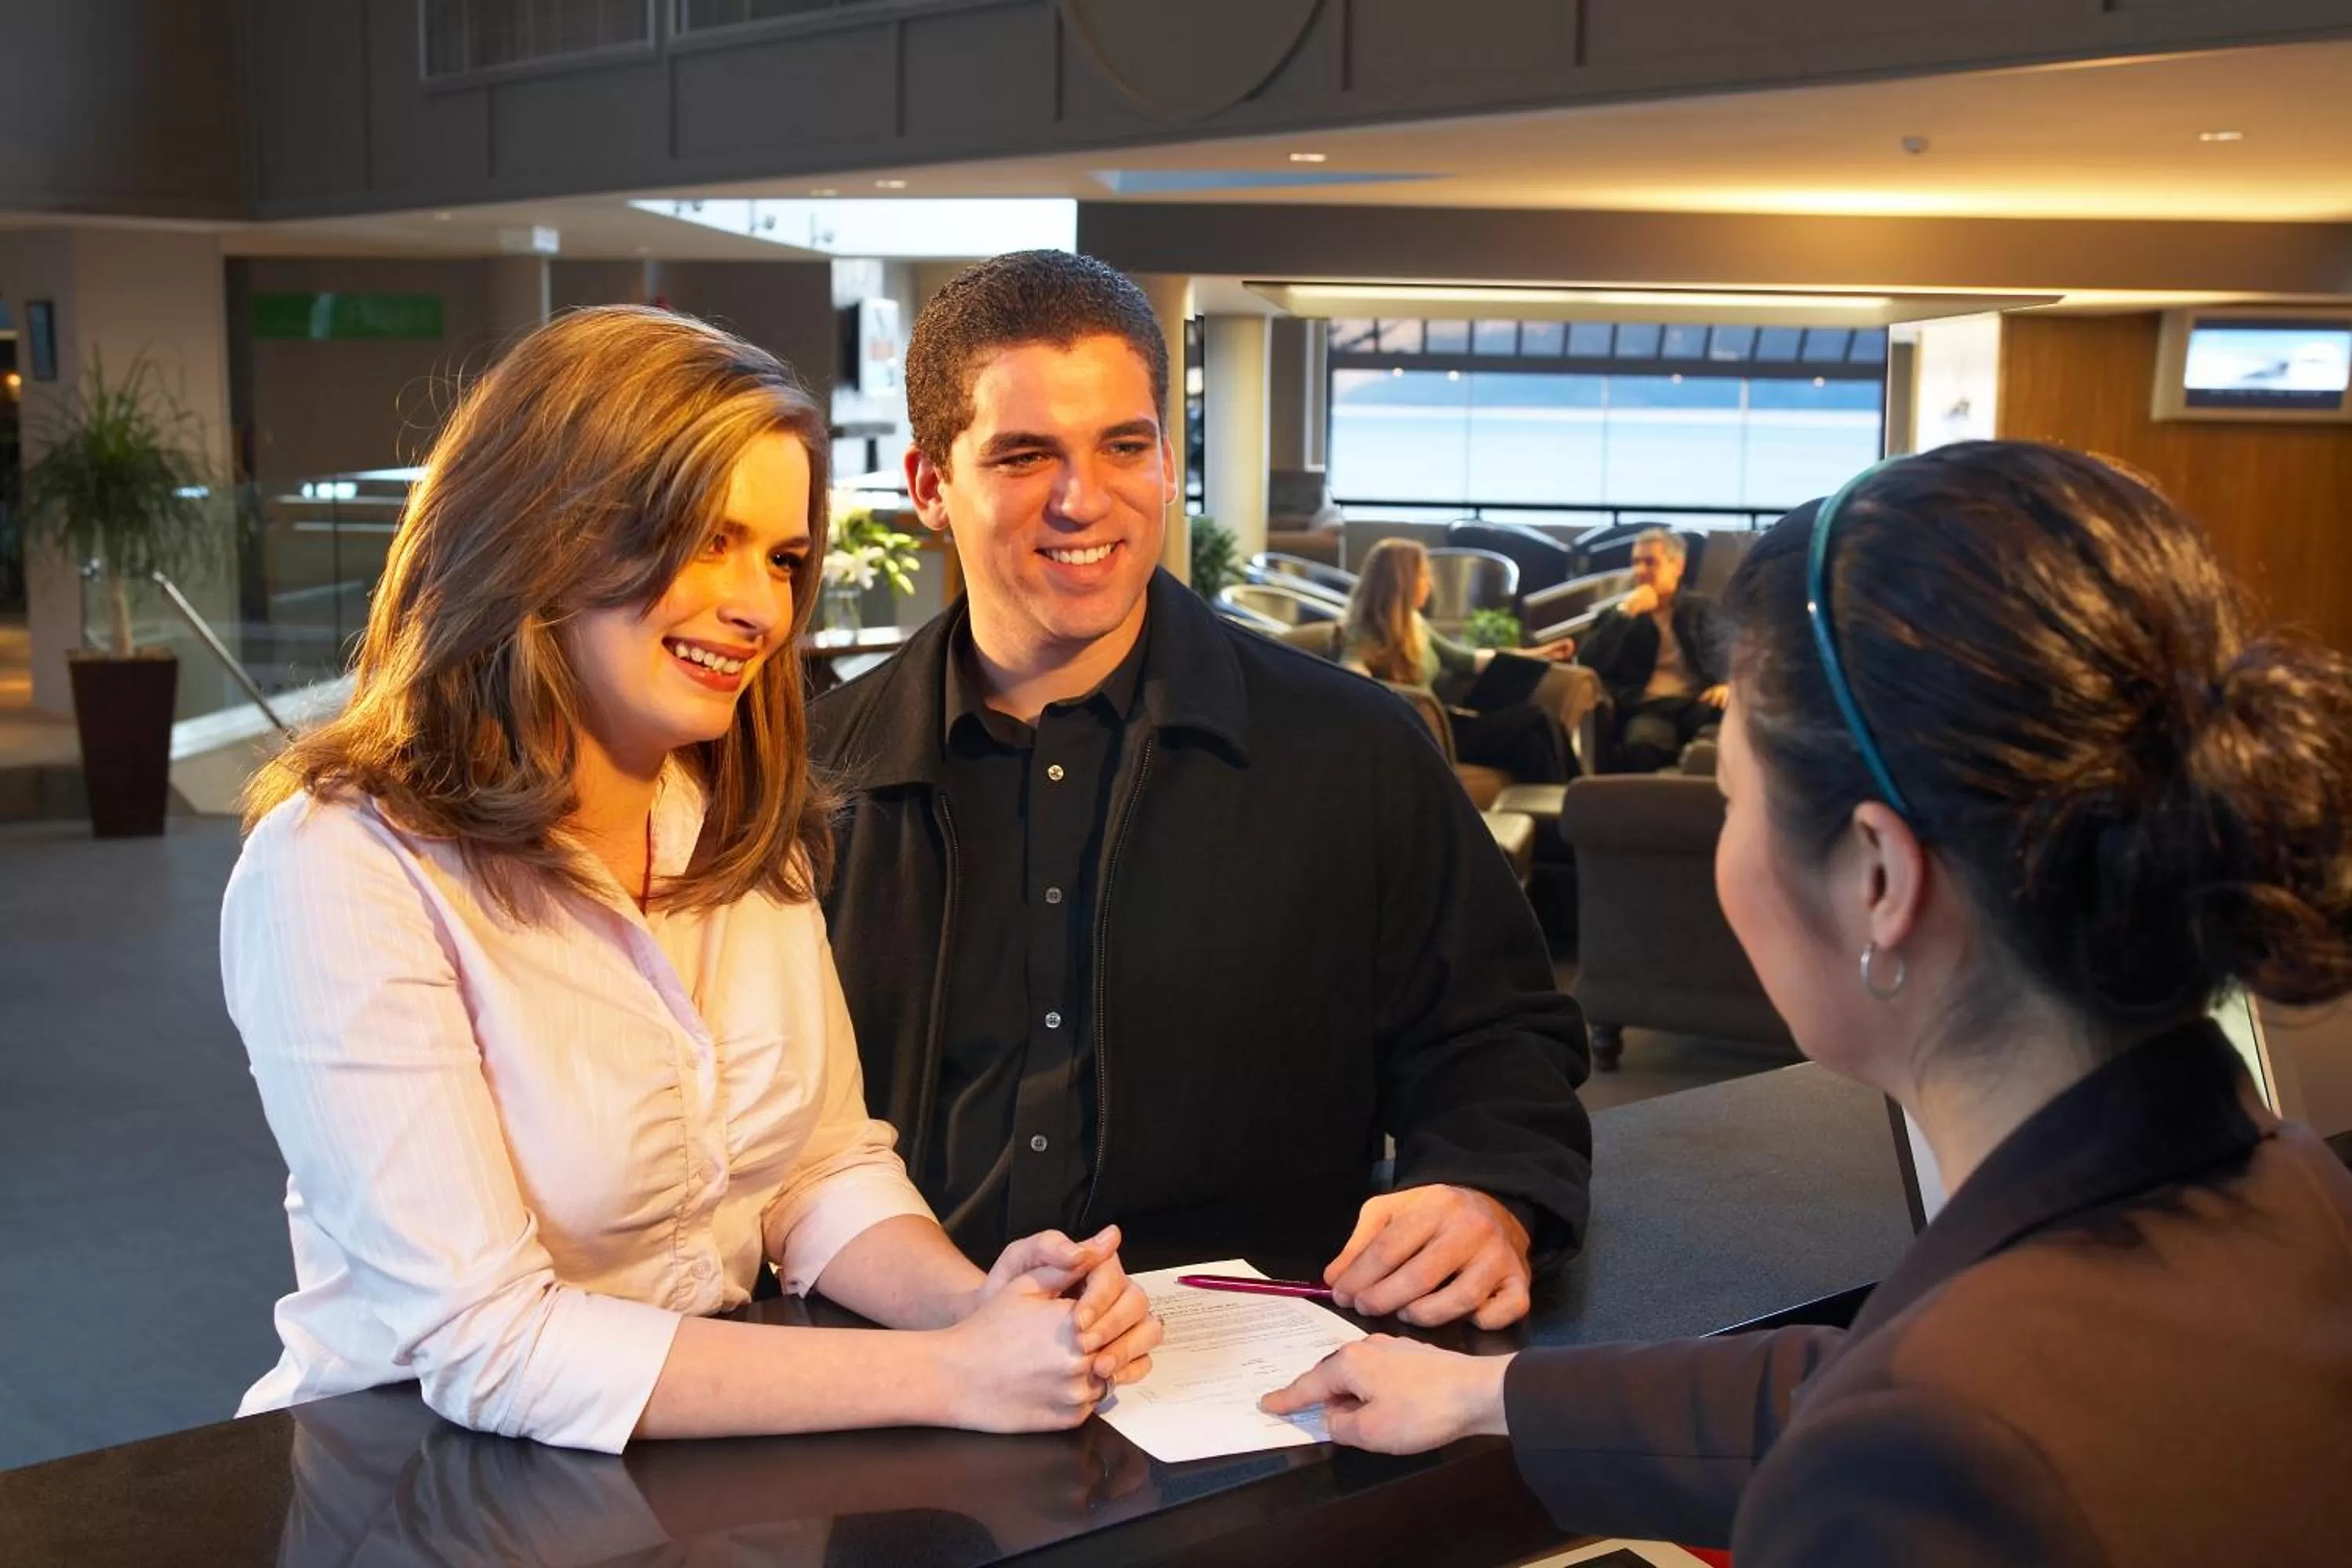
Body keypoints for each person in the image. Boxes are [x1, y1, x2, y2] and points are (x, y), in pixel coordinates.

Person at [1263, 441, 2352, 1563]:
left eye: (1736, 797)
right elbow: (1864, 1384)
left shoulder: (1933, 1462)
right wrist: (1490, 1397)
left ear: (1878, 880)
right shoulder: (2296, 1191)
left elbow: (1909, 1426)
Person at [222, 306, 1158, 1454]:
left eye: (781, 558)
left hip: (697, 1474)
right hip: (415, 1479)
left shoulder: (734, 824)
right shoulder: (343, 866)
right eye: (706, 540)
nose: (761, 607)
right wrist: (948, 1370)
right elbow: (486, 1343)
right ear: (545, 532)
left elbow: (820, 1170)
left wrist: (978, 1305)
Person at [810, 251, 1591, 1331]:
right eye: (1026, 455)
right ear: (931, 488)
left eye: (1124, 446)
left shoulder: (1353, 748)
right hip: (900, 1370)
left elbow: (1494, 1037)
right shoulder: (809, 778)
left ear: (1167, 459)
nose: (1084, 500)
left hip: (1257, 1383)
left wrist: (1489, 1192)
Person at [1342, 537, 1587, 783]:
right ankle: (1581, 797)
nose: (1430, 584)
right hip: (1425, 732)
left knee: (1534, 747)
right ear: (1403, 582)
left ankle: (1564, 811)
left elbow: (1466, 659)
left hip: (1445, 721)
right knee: (1538, 717)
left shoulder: (1415, 624)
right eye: (1424, 576)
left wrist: (1540, 654)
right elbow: (1351, 672)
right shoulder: (1363, 632)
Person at [1577, 527, 1726, 771]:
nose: (1640, 571)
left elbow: (1731, 650)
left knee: (1736, 728)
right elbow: (1588, 661)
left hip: (1698, 702)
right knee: (1641, 744)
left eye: (1650, 563)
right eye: (1636, 563)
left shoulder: (1700, 609)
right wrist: (1624, 615)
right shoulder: (1622, 613)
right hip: (1649, 707)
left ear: (1677, 566)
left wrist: (1727, 682)